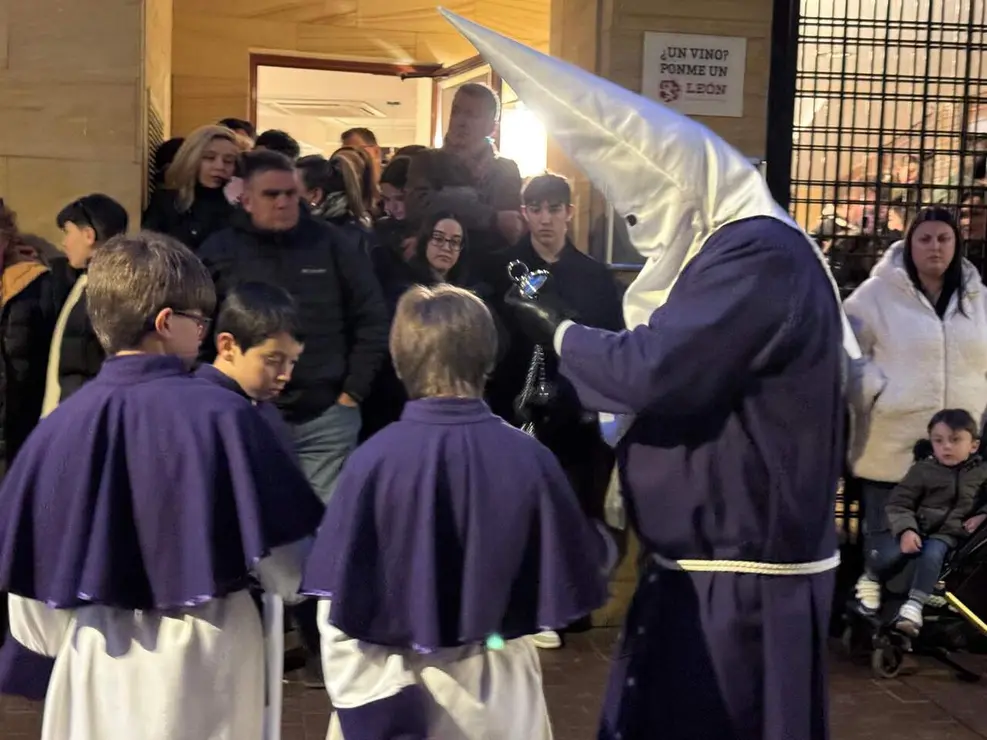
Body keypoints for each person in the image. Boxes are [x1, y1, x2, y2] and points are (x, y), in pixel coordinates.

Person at [440, 11, 859, 740]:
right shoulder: (754, 252)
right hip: (710, 565)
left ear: (682, 192)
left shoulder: (755, 256)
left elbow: (657, 369)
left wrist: (559, 330)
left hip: (737, 575)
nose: (640, 228)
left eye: (644, 208)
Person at [0, 231, 324, 738]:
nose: (203, 334)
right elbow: (288, 566)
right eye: (199, 322)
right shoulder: (225, 417)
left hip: (96, 651)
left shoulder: (58, 428)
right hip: (207, 653)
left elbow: (34, 599)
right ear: (166, 322)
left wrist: (58, 645)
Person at [301, 284, 615, 740]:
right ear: (489, 360)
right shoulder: (528, 457)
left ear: (400, 362)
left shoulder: (372, 461)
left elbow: (338, 602)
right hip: (499, 693)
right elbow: (580, 562)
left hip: (396, 679)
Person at [491, 172, 624, 650]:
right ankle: (524, 606)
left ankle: (559, 605)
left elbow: (609, 345)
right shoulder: (498, 268)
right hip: (511, 408)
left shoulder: (594, 277)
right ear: (524, 212)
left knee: (571, 508)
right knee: (516, 508)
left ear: (569, 212)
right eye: (536, 209)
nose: (545, 218)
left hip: (575, 414)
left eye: (553, 208)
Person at [854, 409, 987, 636]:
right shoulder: (923, 470)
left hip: (948, 533)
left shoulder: (981, 473)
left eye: (955, 440)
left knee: (933, 554)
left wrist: (982, 514)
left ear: (973, 445)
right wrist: (907, 529)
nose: (946, 447)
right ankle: (871, 577)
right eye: (938, 441)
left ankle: (914, 606)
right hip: (916, 525)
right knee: (890, 553)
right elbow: (898, 503)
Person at [42, 194, 129, 414]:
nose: (64, 243)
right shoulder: (85, 280)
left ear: (89, 235)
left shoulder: (109, 290)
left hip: (82, 413)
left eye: (67, 232)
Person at [195, 281, 304, 456]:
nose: (285, 375)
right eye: (273, 360)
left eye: (292, 362)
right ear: (228, 346)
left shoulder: (266, 410)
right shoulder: (201, 412)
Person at [141, 125, 238, 251]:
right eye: (209, 158)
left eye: (228, 161)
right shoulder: (166, 202)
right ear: (191, 158)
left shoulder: (238, 207)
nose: (220, 166)